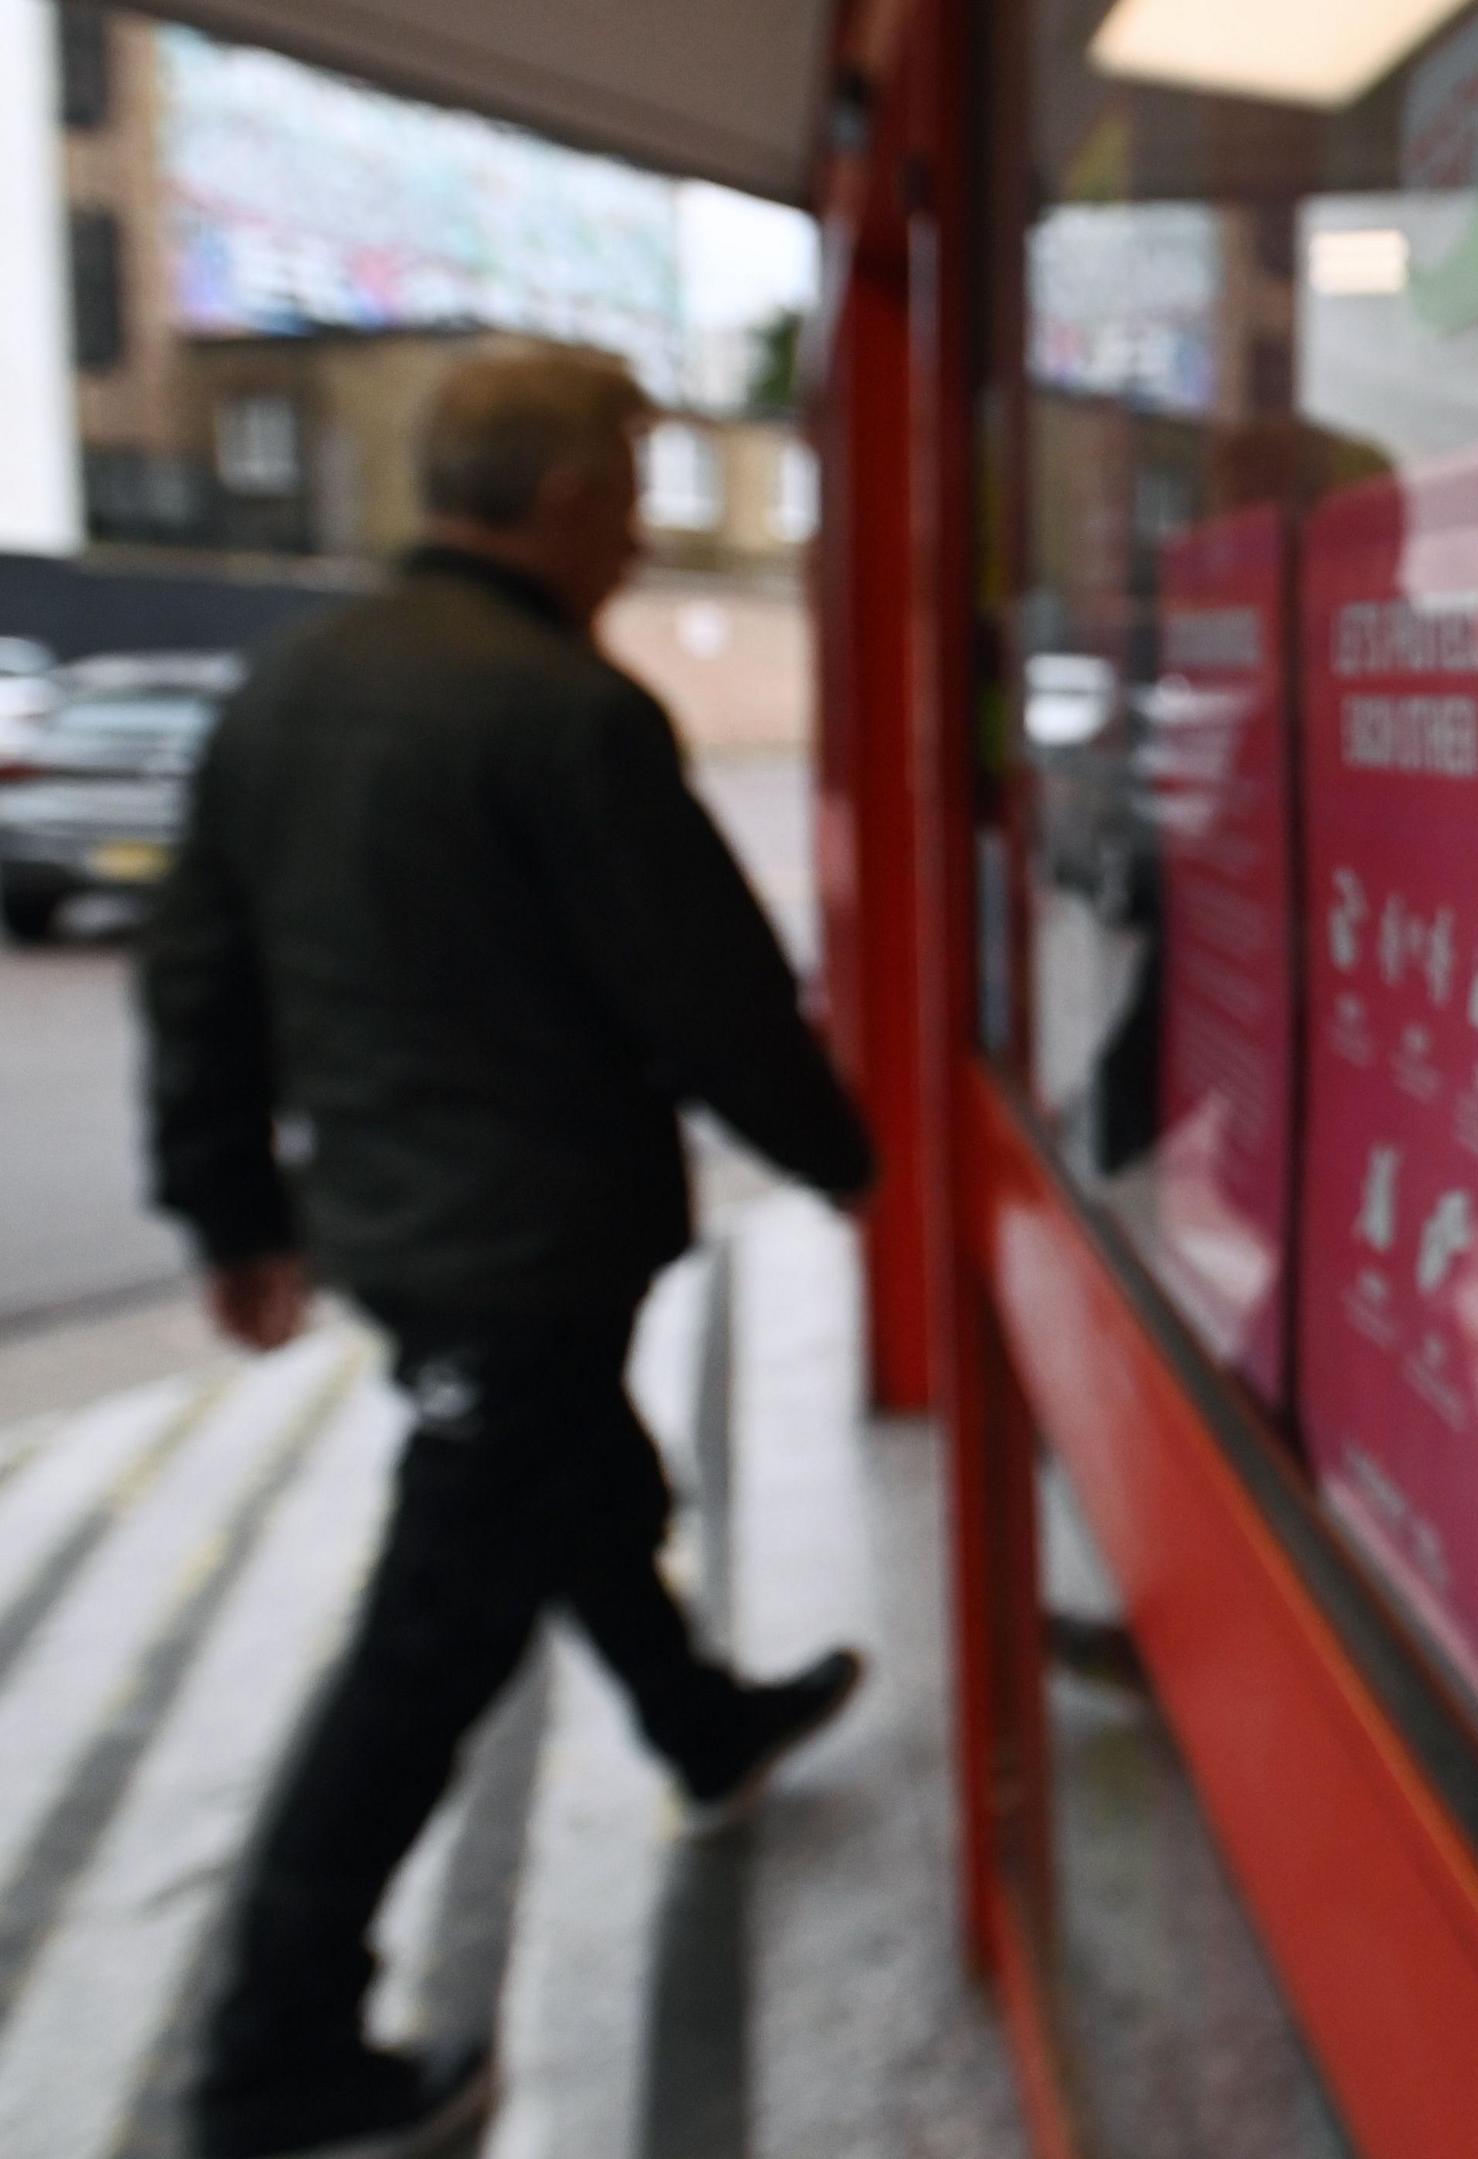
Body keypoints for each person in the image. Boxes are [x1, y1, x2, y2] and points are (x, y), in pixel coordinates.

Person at [137, 347, 878, 2159]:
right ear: (559, 503)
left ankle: (700, 1723)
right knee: (436, 1633)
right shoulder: (565, 712)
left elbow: (196, 976)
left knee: (578, 1481)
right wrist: (851, 1163)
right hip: (528, 1241)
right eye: (628, 486)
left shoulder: (287, 685)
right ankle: (271, 2055)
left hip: (407, 1229)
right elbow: (706, 992)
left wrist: (235, 1210)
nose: (635, 525)